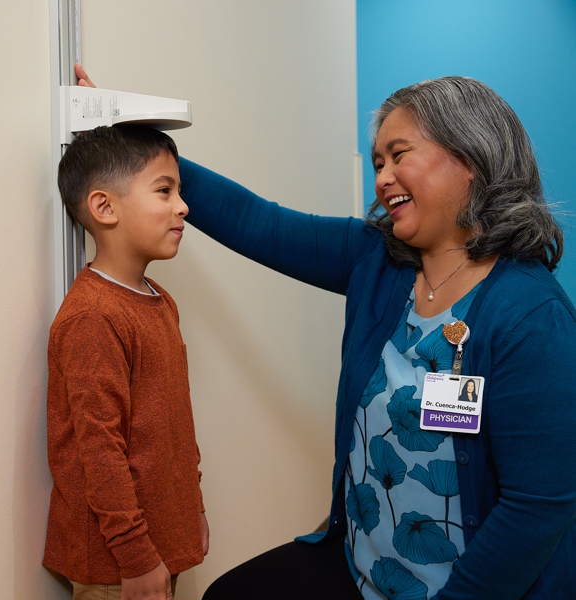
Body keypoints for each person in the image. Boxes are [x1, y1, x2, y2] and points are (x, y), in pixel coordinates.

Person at [74, 65, 576, 598]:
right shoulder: (376, 260)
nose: (382, 177)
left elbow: (536, 509)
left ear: (471, 160)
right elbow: (256, 222)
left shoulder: (530, 316)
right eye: (378, 161)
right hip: (362, 570)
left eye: (399, 155)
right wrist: (131, 141)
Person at [43, 124, 208, 600]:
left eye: (179, 191)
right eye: (164, 190)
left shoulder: (161, 301)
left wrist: (190, 509)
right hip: (118, 565)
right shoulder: (93, 317)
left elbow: (175, 425)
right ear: (104, 207)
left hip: (161, 545)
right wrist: (136, 556)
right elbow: (100, 453)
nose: (183, 206)